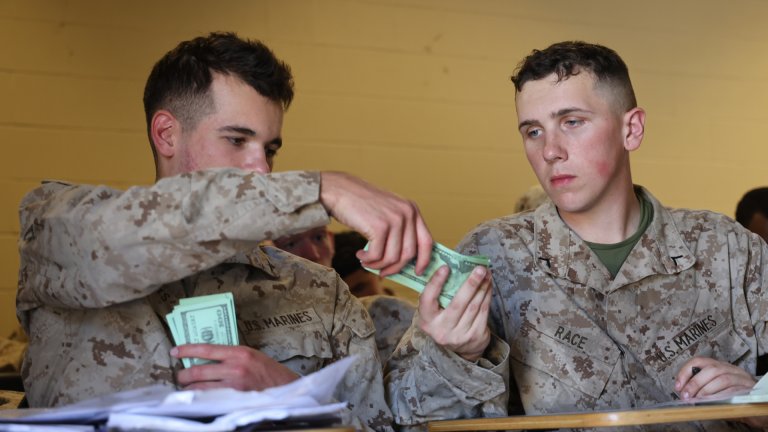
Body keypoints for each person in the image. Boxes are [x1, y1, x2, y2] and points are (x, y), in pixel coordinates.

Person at [15, 32, 437, 431]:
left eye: (269, 149)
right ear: (166, 134)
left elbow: (373, 424)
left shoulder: (319, 291)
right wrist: (318, 189)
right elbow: (113, 240)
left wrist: (293, 397)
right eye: (237, 140)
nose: (262, 168)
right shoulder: (57, 229)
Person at [388, 41, 768, 430]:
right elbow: (399, 416)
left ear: (631, 129)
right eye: (533, 131)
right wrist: (456, 358)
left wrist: (757, 398)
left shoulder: (727, 249)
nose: (550, 151)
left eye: (572, 122)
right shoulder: (493, 256)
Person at [332, 230, 416, 363]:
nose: (356, 300)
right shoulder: (337, 343)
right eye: (343, 297)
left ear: (380, 271)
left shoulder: (421, 319)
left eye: (360, 288)